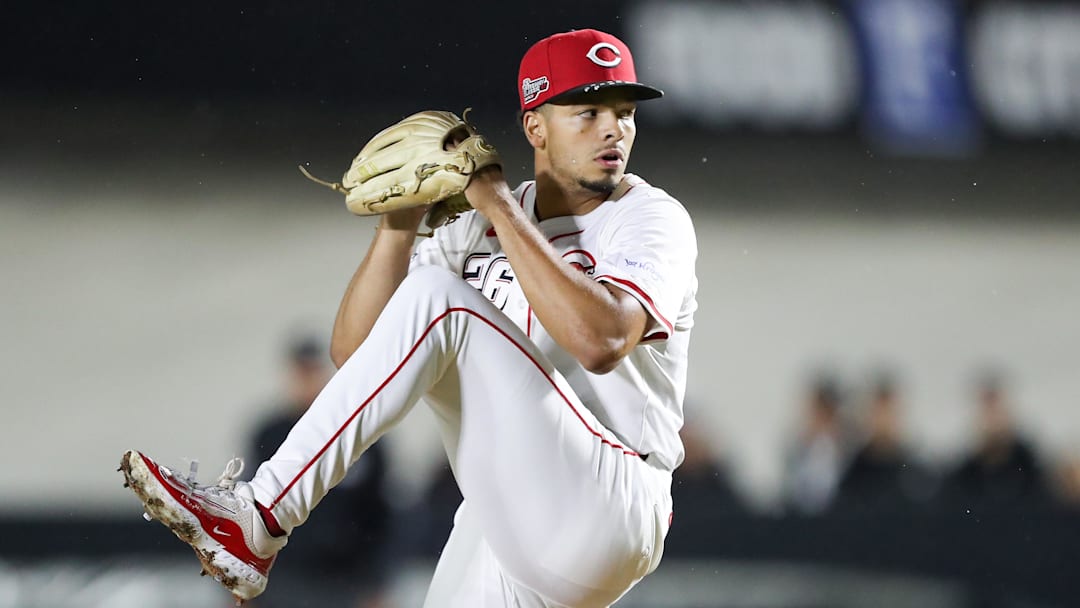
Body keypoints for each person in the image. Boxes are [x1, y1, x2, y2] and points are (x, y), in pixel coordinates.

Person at [120, 28, 698, 608]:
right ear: (535, 127)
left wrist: (492, 198)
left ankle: (261, 514)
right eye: (588, 110)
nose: (613, 128)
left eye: (625, 112)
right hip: (507, 514)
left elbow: (602, 341)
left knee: (437, 297)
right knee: (431, 297)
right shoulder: (476, 227)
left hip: (612, 499)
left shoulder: (648, 218)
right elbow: (357, 358)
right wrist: (399, 224)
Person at [246, 335, 392, 607]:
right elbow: (249, 510)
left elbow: (381, 513)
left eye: (313, 371)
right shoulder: (270, 433)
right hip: (284, 579)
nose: (307, 380)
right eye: (301, 372)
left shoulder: (357, 430)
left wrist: (378, 582)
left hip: (347, 580)